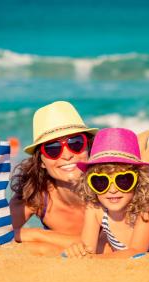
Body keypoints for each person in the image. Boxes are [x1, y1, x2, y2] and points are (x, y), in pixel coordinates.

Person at [9, 101, 98, 253]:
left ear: (89, 148)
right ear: (41, 161)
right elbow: (0, 236)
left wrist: (36, 234)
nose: (67, 155)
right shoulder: (37, 196)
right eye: (53, 148)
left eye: (75, 143)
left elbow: (110, 244)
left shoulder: (110, 185)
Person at [63, 128, 149, 258]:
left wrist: (93, 259)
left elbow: (137, 251)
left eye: (123, 180)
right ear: (89, 183)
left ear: (139, 181)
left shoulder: (146, 207)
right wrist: (78, 251)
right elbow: (88, 249)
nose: (113, 190)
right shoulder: (95, 209)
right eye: (101, 182)